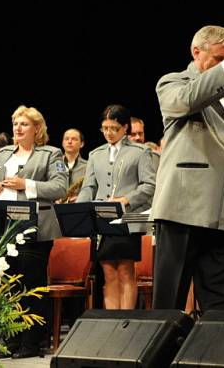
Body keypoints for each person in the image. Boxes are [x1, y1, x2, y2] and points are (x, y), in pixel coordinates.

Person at [151, 25, 224, 311]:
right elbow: (187, 101)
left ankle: (219, 353)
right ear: (196, 52)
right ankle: (163, 353)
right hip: (184, 205)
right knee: (172, 292)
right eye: (218, 58)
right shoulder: (173, 83)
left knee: (217, 292)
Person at [0, 105, 68, 358]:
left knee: (31, 286)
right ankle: (10, 342)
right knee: (8, 286)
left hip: (37, 228)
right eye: (15, 124)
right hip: (4, 227)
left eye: (24, 124)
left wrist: (27, 184)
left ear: (37, 129)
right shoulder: (3, 155)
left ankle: (31, 344)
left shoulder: (51, 154)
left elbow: (60, 187)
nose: (17, 129)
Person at [77, 104, 157, 310]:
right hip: (102, 220)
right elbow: (89, 186)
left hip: (127, 220)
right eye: (105, 128)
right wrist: (80, 209)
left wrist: (126, 199)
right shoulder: (96, 154)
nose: (109, 133)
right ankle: (111, 319)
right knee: (108, 272)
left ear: (124, 128)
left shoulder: (140, 152)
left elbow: (149, 185)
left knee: (125, 271)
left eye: (114, 128)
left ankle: (126, 320)